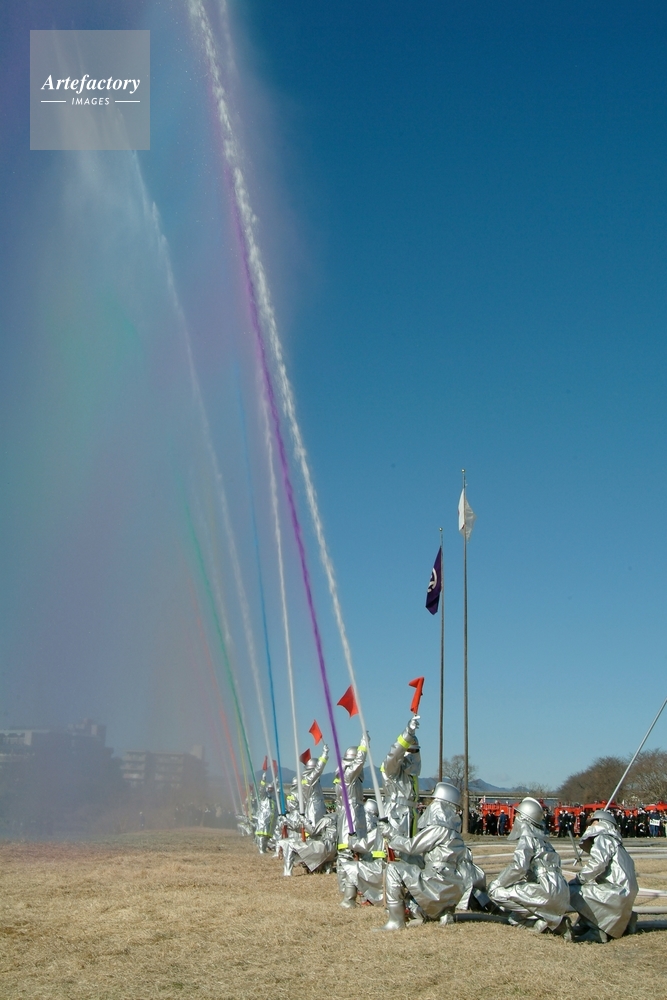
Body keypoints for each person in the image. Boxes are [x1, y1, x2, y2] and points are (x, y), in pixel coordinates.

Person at [375, 782, 469, 930]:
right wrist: (400, 852)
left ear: (440, 804)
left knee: (393, 869)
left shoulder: (439, 829)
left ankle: (396, 921)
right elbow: (422, 857)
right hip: (451, 887)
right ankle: (440, 912)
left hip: (437, 882)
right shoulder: (453, 832)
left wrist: (390, 833)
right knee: (409, 861)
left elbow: (412, 846)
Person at [488, 797, 570, 935]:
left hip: (546, 891)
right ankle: (552, 922)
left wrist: (498, 882)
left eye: (518, 815)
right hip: (562, 893)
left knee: (495, 891)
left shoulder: (528, 837)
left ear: (524, 818)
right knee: (514, 918)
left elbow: (519, 866)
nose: (515, 818)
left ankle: (544, 919)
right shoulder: (544, 841)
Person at [569, 809, 639, 942]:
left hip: (617, 891)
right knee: (587, 888)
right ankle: (590, 924)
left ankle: (596, 930)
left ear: (602, 823)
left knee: (572, 890)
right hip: (624, 891)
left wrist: (579, 879)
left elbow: (598, 863)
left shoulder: (603, 838)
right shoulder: (617, 843)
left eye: (594, 822)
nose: (590, 826)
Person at [335, 737, 368, 908]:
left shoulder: (345, 779)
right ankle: (348, 897)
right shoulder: (348, 776)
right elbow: (359, 763)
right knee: (350, 855)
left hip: (349, 818)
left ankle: (350, 893)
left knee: (349, 855)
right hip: (351, 820)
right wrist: (364, 746)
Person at [381, 716, 421, 837]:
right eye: (409, 751)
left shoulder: (413, 776)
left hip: (411, 817)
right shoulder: (392, 770)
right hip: (395, 815)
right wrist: (408, 733)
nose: (412, 755)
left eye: (415, 752)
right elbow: (394, 754)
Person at [351, 798, 386, 905]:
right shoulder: (373, 820)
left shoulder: (367, 819)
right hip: (370, 852)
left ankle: (367, 898)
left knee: (363, 875)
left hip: (368, 852)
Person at [301, 745, 329, 826]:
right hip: (313, 811)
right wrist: (324, 754)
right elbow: (318, 770)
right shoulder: (309, 780)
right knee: (314, 830)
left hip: (316, 809)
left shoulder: (312, 781)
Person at [254, 771, 277, 855]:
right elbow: (261, 790)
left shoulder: (273, 799)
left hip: (270, 820)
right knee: (262, 835)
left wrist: (275, 780)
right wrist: (263, 780)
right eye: (269, 789)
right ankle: (261, 849)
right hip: (263, 819)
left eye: (272, 789)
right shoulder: (264, 797)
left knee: (267, 835)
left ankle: (264, 848)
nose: (270, 790)